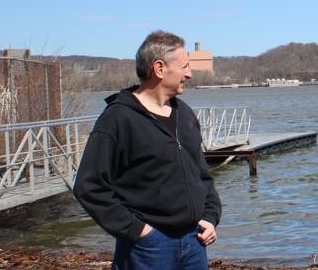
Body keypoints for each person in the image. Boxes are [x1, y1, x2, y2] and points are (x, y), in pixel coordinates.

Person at [74, 30, 221, 269]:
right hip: (149, 247)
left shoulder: (185, 114)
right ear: (159, 68)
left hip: (195, 242)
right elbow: (89, 186)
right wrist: (139, 231)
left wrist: (210, 218)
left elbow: (202, 176)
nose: (189, 74)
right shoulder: (118, 118)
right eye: (184, 66)